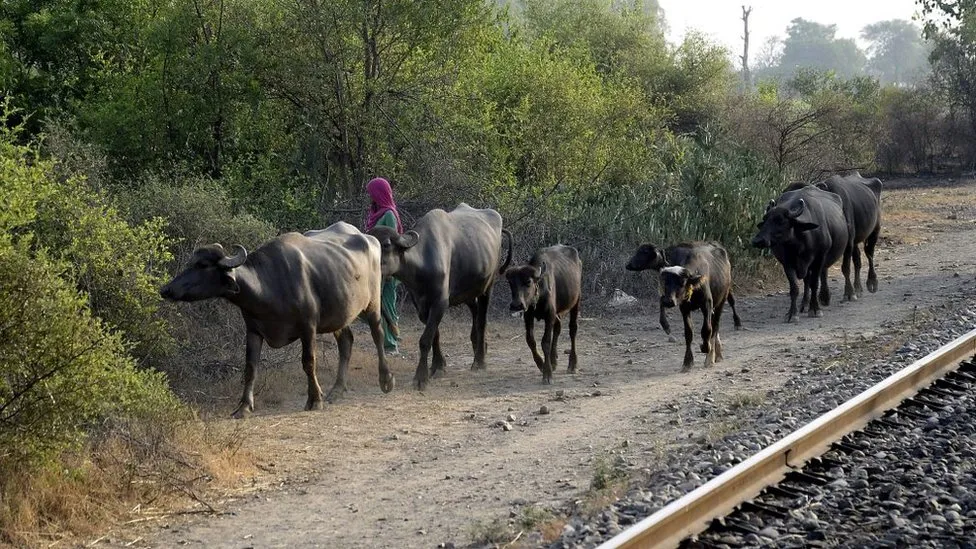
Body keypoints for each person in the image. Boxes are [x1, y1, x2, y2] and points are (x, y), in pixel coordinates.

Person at [364, 177, 403, 355]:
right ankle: (385, 341)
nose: (370, 197)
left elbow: (393, 243)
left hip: (387, 269)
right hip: (374, 267)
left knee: (387, 304)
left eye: (372, 193)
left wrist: (388, 270)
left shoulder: (389, 214)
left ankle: (391, 345)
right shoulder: (376, 213)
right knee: (374, 306)